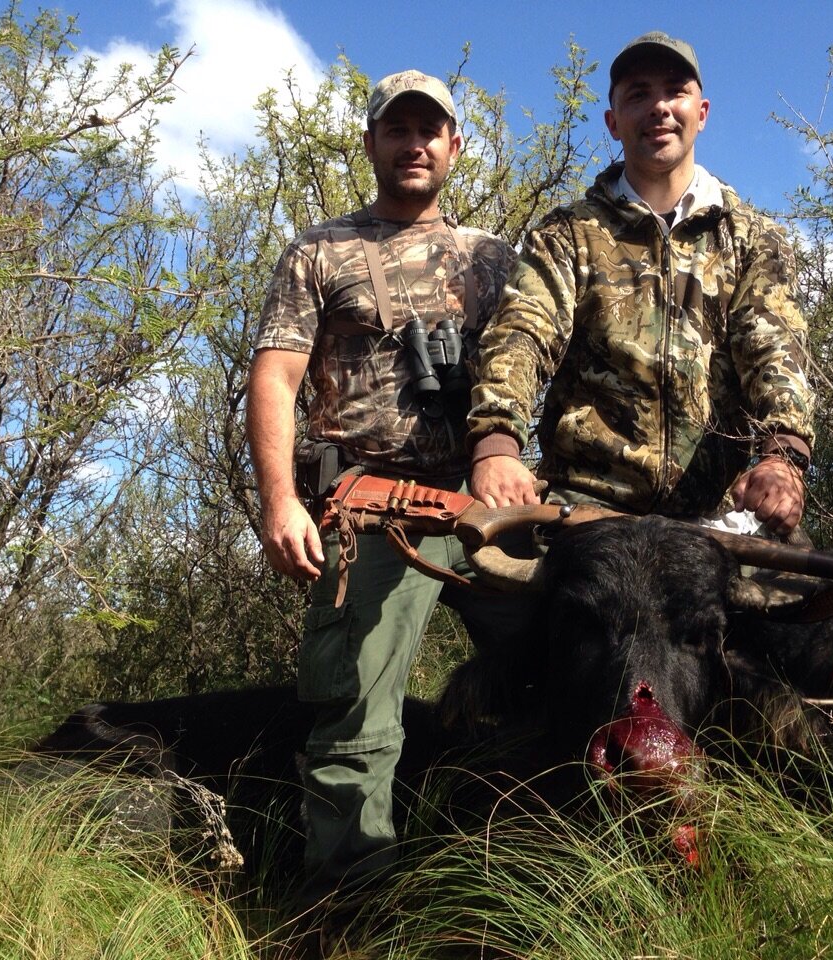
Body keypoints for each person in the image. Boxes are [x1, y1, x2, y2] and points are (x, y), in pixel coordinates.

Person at [246, 69, 525, 907]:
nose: (414, 144)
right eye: (396, 129)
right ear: (371, 142)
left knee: (567, 664)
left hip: (485, 512)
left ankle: (527, 884)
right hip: (367, 511)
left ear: (455, 146)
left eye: (429, 130)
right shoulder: (319, 250)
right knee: (357, 725)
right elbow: (275, 379)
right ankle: (348, 911)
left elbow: (531, 368)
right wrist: (279, 501)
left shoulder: (494, 259)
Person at [468, 32, 815, 534]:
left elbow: (774, 351)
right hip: (584, 504)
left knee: (809, 601)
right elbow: (523, 332)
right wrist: (497, 445)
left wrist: (783, 458)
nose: (659, 108)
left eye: (675, 90)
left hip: (720, 512)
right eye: (638, 95)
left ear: (702, 111)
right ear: (613, 123)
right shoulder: (567, 233)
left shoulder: (752, 238)